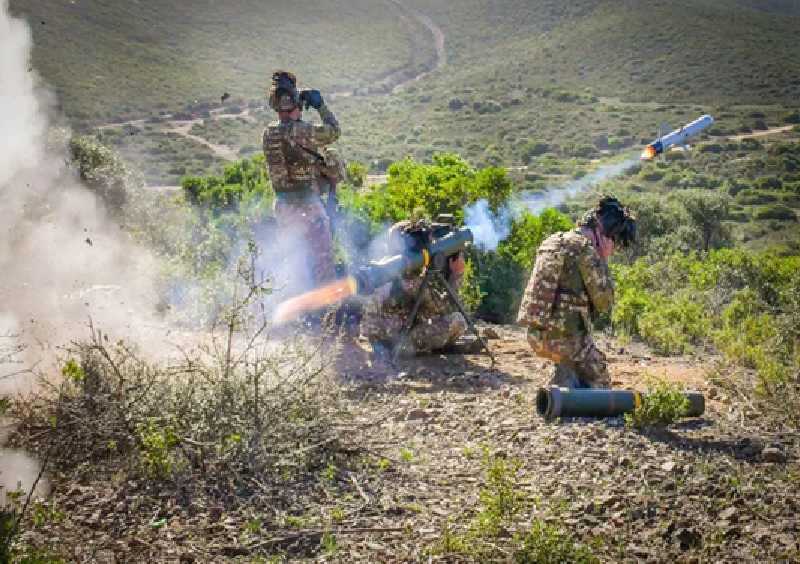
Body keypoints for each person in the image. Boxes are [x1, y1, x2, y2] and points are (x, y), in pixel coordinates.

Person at [517, 195, 636, 389]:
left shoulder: (552, 241)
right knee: (602, 386)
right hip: (567, 342)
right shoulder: (585, 251)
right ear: (602, 232)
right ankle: (566, 384)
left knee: (577, 368)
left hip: (535, 337)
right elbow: (605, 302)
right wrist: (603, 261)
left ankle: (565, 374)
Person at [262, 70, 343, 294]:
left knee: (293, 261)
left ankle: (293, 312)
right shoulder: (299, 130)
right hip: (307, 206)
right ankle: (330, 315)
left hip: (283, 207)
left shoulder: (269, 133)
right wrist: (320, 106)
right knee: (323, 263)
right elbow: (334, 131)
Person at [361, 219, 469, 358]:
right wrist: (456, 275)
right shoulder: (411, 280)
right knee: (457, 320)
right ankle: (405, 349)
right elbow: (444, 308)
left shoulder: (381, 269)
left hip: (378, 338)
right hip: (398, 341)